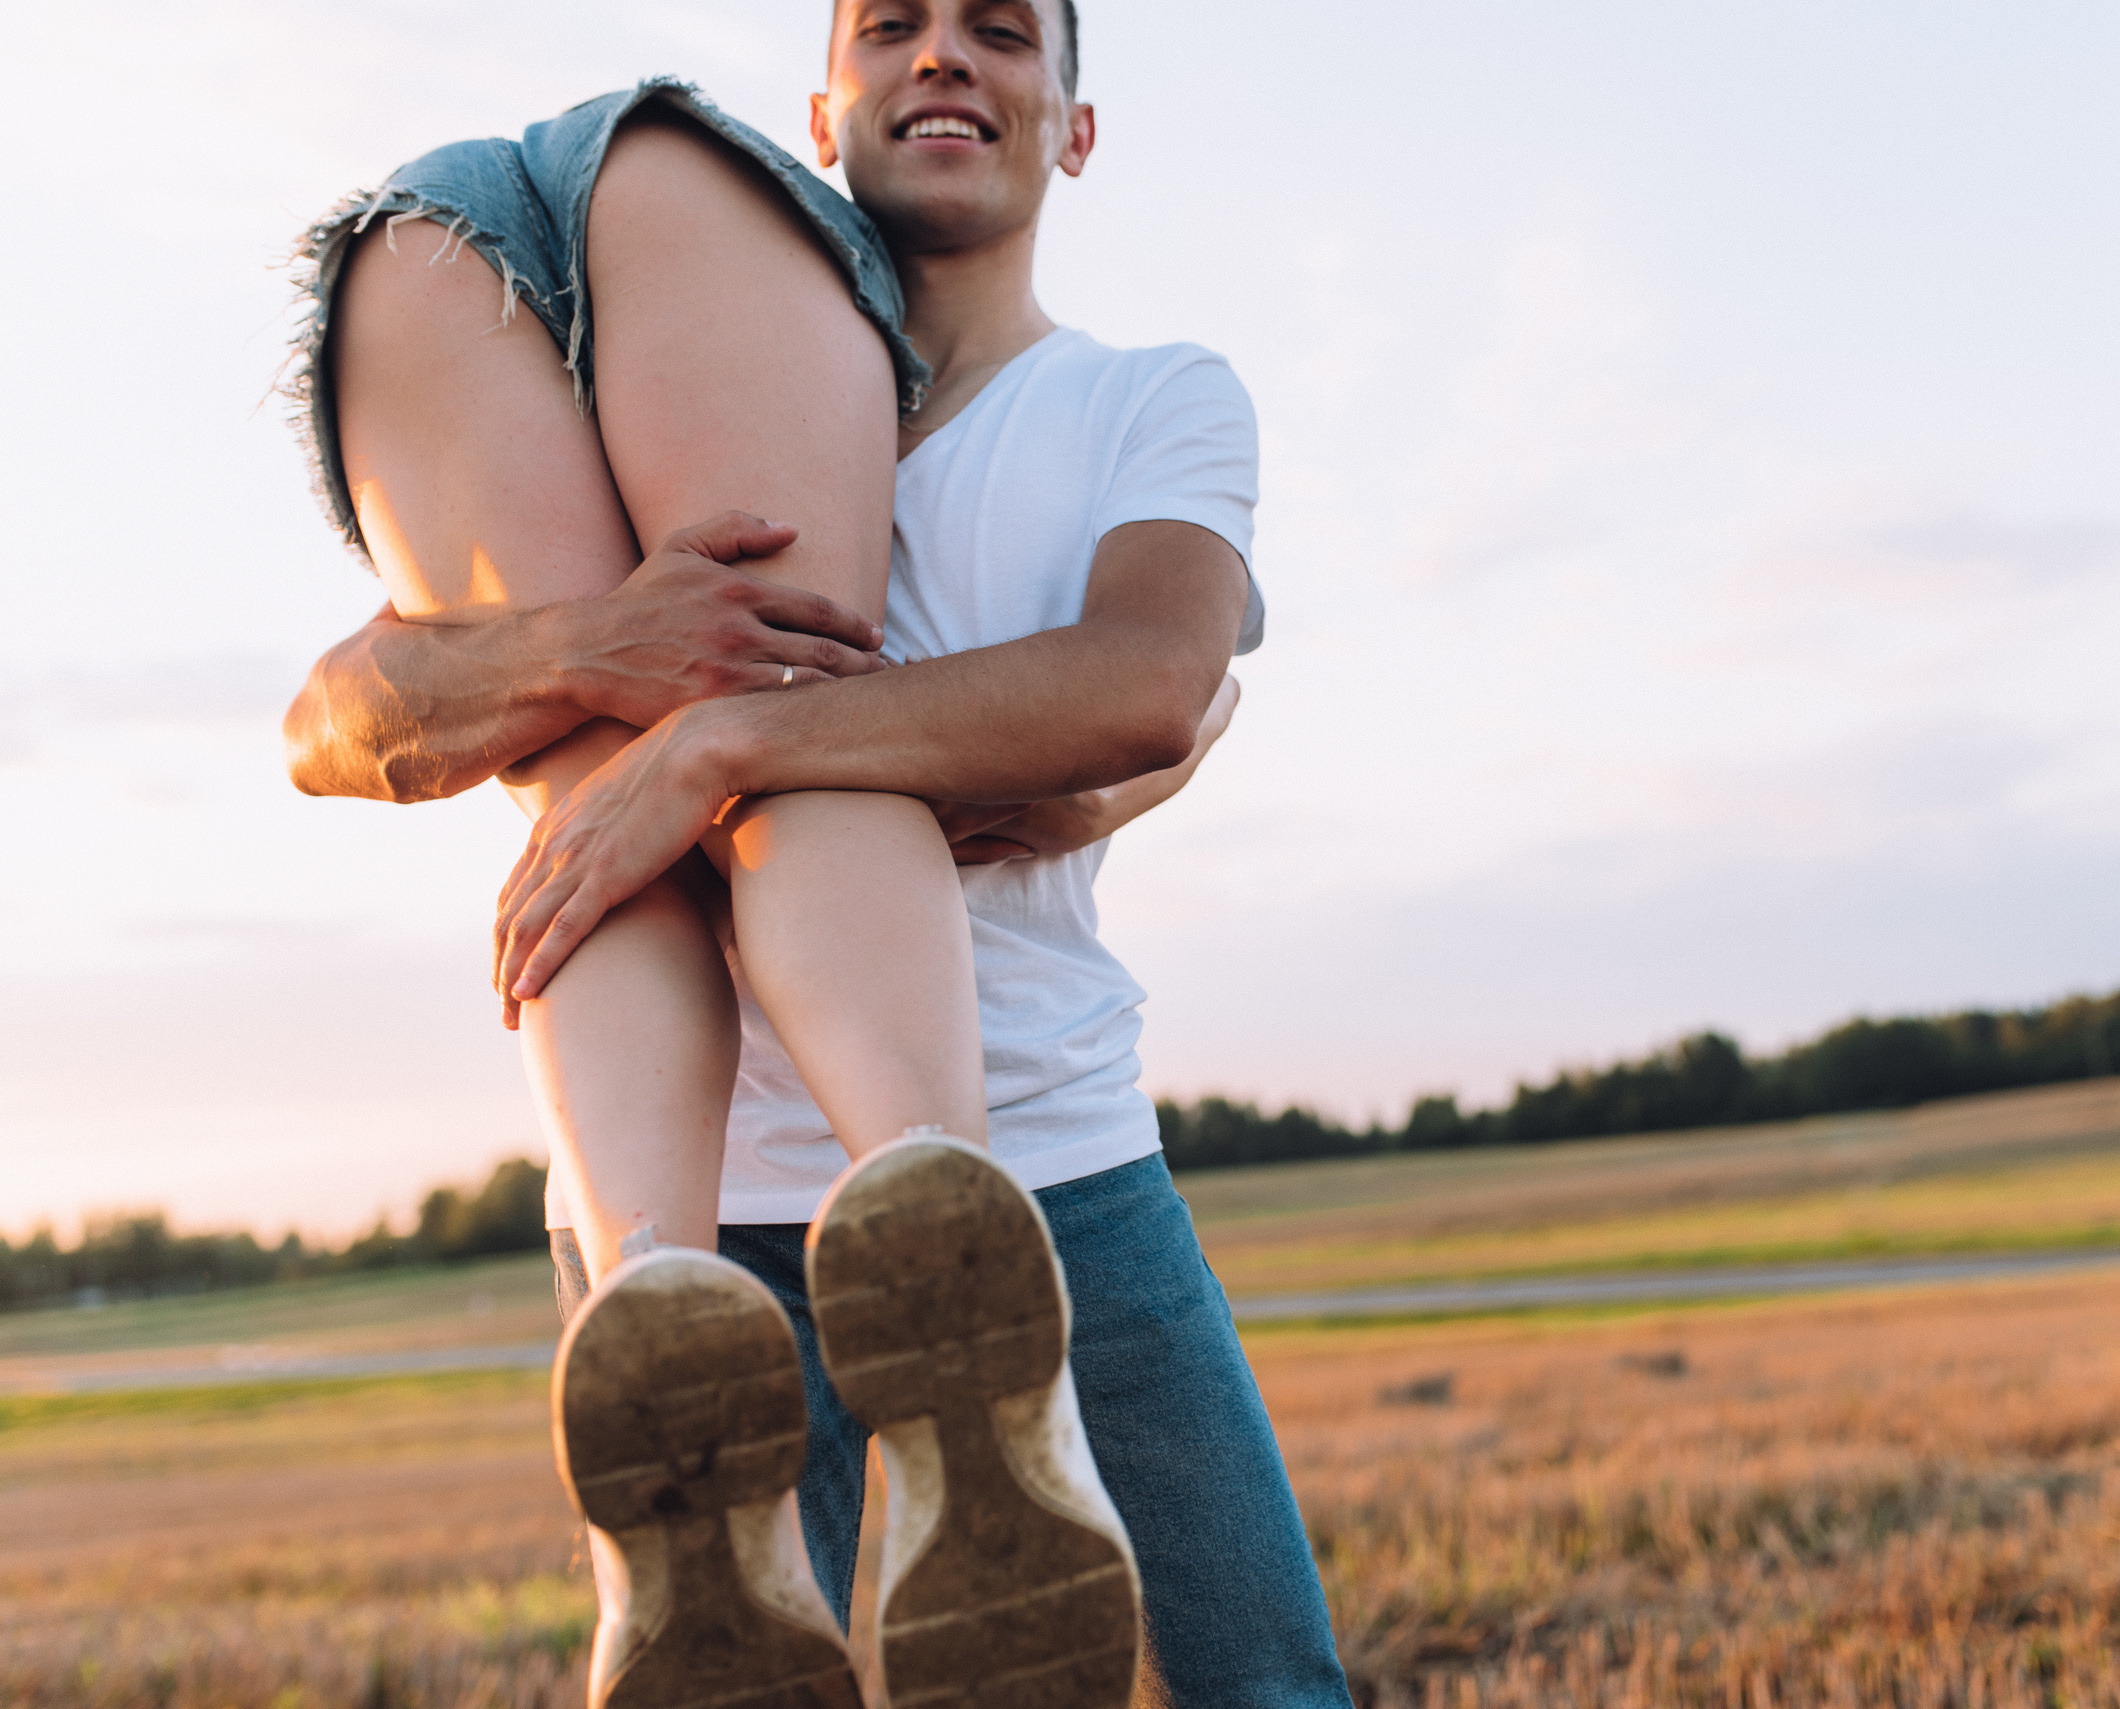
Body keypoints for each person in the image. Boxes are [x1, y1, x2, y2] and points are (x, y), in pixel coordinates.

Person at [280, 3, 1354, 1707]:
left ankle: (902, 1236)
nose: (942, 56)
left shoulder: (1149, 402)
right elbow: (338, 719)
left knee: (1259, 1679)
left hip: (1044, 1173)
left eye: (1001, 32)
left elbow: (1153, 682)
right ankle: (662, 1297)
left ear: (1074, 130)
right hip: (701, 1242)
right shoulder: (671, 417)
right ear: (819, 113)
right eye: (893, 29)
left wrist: (718, 734)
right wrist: (591, 649)